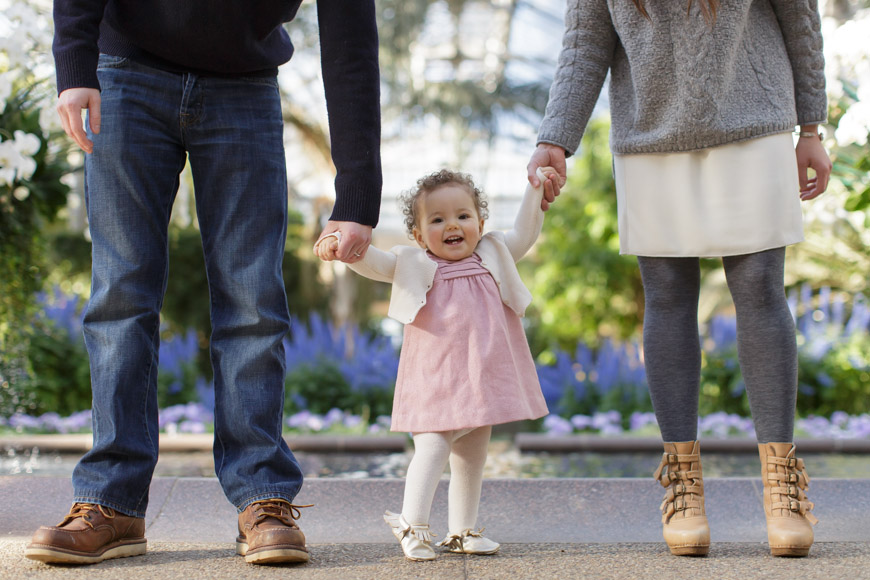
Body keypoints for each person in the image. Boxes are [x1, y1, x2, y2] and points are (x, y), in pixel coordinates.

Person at [25, 0, 381, 566]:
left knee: (253, 302)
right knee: (120, 296)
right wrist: (73, 67)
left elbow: (351, 37)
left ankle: (263, 496)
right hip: (125, 72)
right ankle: (111, 503)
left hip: (244, 85)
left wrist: (358, 193)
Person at [527, 0, 830, 558]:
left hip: (757, 122)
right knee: (666, 300)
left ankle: (783, 488)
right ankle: (684, 485)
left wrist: (811, 124)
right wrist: (556, 136)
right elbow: (587, 40)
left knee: (761, 291)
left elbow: (799, 17)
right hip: (650, 135)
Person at [315, 167, 560, 560]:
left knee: (473, 453)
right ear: (418, 235)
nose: (453, 225)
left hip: (480, 379)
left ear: (480, 223)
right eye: (438, 219)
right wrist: (341, 244)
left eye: (463, 216)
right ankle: (411, 525)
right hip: (434, 379)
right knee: (432, 448)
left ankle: (462, 530)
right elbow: (372, 261)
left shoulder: (493, 253)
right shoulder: (414, 264)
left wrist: (535, 192)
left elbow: (525, 233)